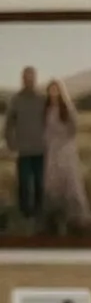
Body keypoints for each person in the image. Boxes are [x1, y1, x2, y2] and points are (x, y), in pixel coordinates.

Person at [39, 80, 91, 230]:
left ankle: (77, 217)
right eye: (51, 90)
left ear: (60, 91)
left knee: (70, 179)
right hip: (51, 149)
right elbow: (45, 129)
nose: (53, 92)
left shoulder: (66, 107)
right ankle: (56, 215)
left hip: (66, 148)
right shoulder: (47, 109)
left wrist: (65, 141)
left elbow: (74, 126)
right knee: (52, 179)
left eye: (56, 89)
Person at [2, 65, 46, 220]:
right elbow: (8, 124)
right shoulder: (16, 100)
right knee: (24, 183)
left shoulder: (42, 99)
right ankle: (25, 214)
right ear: (22, 79)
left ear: (35, 79)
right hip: (23, 150)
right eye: (26, 77)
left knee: (40, 183)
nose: (29, 80)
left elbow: (50, 121)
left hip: (41, 149)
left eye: (32, 77)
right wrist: (11, 143)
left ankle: (39, 212)